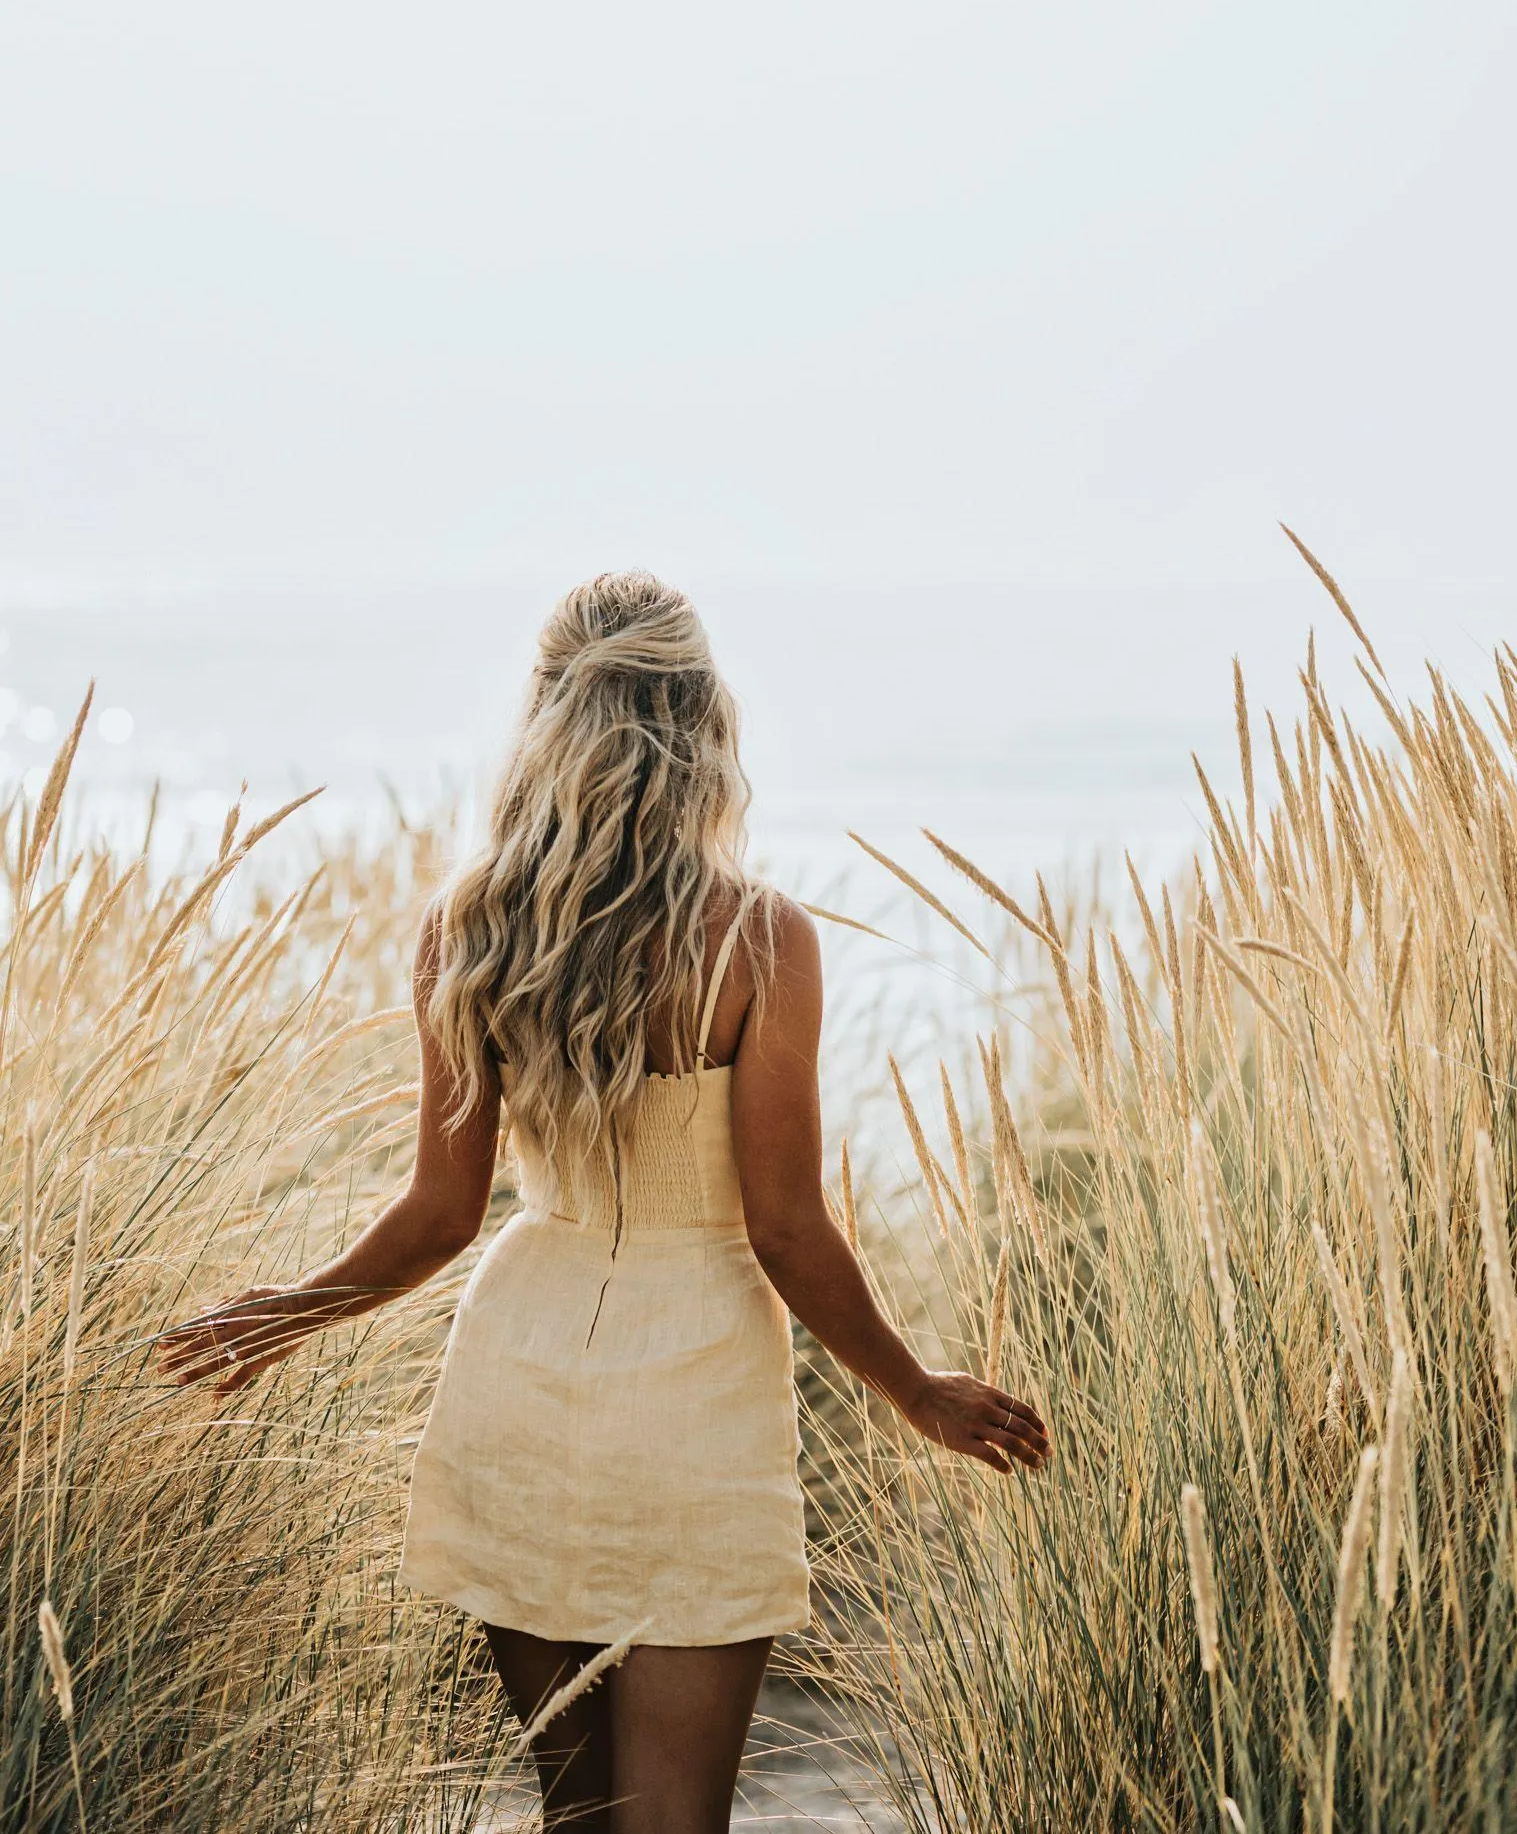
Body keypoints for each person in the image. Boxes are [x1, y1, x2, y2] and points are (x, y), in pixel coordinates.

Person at [160, 572, 1050, 1831]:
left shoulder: (468, 930)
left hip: (517, 1384)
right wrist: (915, 1393)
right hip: (697, 1399)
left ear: (545, 720)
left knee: (574, 1819)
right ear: (701, 726)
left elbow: (440, 1215)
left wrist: (285, 1313)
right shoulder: (757, 940)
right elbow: (785, 1229)